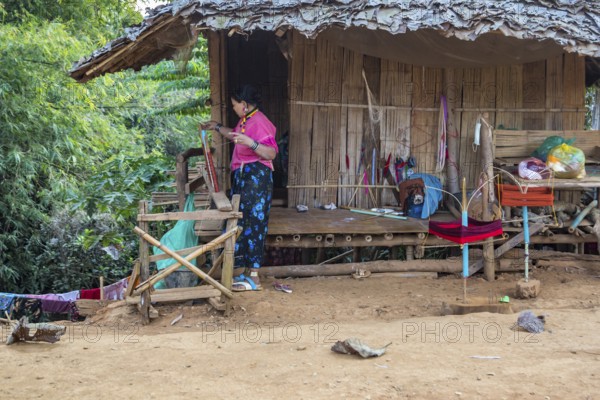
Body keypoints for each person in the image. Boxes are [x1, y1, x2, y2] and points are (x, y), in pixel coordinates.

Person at [202, 85, 278, 291]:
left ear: (244, 105)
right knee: (243, 223)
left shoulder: (260, 122)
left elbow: (271, 153)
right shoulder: (247, 120)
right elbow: (236, 136)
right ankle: (245, 274)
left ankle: (254, 277)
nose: (234, 108)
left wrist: (251, 143)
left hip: (256, 181)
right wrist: (216, 127)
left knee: (255, 224)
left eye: (235, 105)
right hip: (246, 179)